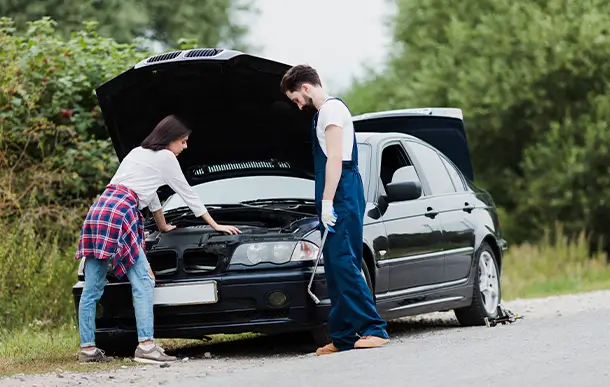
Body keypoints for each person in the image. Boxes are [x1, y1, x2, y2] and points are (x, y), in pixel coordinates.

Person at [74, 114, 241, 364]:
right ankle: (146, 346)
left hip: (100, 210)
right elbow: (185, 190)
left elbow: (148, 192)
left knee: (92, 287)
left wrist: (162, 225)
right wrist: (215, 224)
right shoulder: (166, 157)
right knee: (143, 281)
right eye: (183, 142)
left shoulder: (137, 152)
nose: (185, 147)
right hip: (121, 212)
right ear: (170, 139)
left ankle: (87, 349)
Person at [280, 65, 390, 355]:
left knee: (343, 261)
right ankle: (342, 335)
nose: (297, 105)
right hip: (338, 190)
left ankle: (373, 328)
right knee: (335, 264)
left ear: (305, 88)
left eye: (295, 99)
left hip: (341, 189)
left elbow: (335, 159)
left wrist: (328, 202)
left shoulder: (330, 111)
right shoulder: (323, 113)